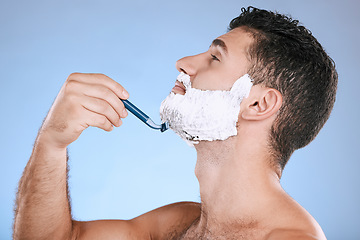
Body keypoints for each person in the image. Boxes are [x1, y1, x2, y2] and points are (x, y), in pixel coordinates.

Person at [13, 6, 337, 240]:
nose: (183, 63)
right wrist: (52, 143)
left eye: (215, 57)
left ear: (258, 104)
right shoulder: (180, 223)